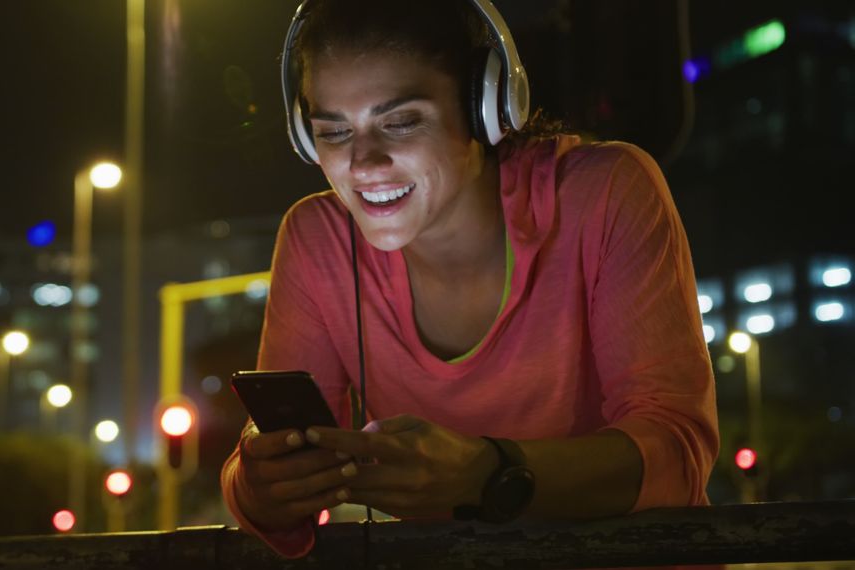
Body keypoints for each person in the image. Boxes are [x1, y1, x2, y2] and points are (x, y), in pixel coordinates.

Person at [220, 0, 719, 559]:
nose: (362, 163)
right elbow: (265, 483)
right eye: (333, 132)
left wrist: (490, 471)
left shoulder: (606, 193)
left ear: (486, 108)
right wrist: (264, 486)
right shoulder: (317, 238)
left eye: (402, 121)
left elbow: (677, 455)